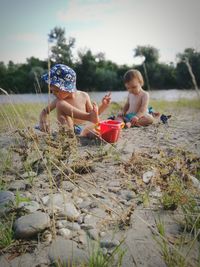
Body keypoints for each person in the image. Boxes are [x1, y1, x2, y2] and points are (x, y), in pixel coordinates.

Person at [39, 64, 111, 136]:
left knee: (94, 132)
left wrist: (103, 106)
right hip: (69, 128)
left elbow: (94, 116)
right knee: (60, 104)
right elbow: (45, 111)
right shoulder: (59, 100)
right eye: (52, 91)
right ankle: (69, 134)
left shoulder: (84, 96)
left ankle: (86, 133)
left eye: (57, 91)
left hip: (84, 127)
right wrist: (43, 120)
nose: (53, 94)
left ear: (68, 88)